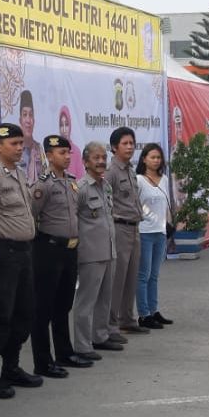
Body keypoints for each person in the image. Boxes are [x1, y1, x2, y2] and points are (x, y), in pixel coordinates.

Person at [0, 123, 44, 398]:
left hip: (23, 253)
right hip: (1, 255)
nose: (19, 148)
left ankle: (11, 368)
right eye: (13, 144)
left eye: (20, 143)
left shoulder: (17, 173)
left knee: (24, 313)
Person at [30, 135, 93, 377]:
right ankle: (43, 362)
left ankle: (64, 354)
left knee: (63, 304)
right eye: (61, 153)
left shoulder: (71, 182)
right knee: (43, 308)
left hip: (69, 250)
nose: (67, 157)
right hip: (48, 250)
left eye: (68, 152)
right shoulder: (42, 185)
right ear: (48, 155)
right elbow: (31, 215)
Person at [73, 141, 122, 358]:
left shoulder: (106, 186)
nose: (101, 161)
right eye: (96, 158)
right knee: (86, 301)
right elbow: (72, 220)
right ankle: (83, 345)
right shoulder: (81, 188)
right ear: (85, 161)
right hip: (90, 253)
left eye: (103, 157)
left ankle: (100, 337)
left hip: (109, 250)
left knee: (105, 298)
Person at [105, 126, 146, 340]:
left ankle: (128, 319)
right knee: (117, 279)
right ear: (114, 147)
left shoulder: (130, 169)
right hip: (119, 227)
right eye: (125, 143)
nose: (130, 147)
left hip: (135, 227)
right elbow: (105, 202)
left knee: (131, 277)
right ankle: (111, 325)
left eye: (132, 143)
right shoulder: (111, 171)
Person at [135, 143, 174, 330]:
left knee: (155, 275)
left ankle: (154, 310)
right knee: (144, 275)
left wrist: (169, 224)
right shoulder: (139, 180)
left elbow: (166, 204)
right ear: (144, 159)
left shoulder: (164, 179)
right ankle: (143, 315)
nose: (156, 160)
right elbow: (135, 205)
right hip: (144, 232)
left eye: (159, 157)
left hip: (160, 232)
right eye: (152, 157)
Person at [17, 91, 45, 181]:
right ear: (20, 120)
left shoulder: (39, 149)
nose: (28, 120)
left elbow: (45, 175)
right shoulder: (16, 149)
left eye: (31, 115)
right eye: (25, 115)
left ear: (34, 120)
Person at [57, 106, 84, 179]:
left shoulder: (76, 151)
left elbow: (80, 179)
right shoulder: (55, 151)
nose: (65, 129)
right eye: (62, 125)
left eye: (67, 124)